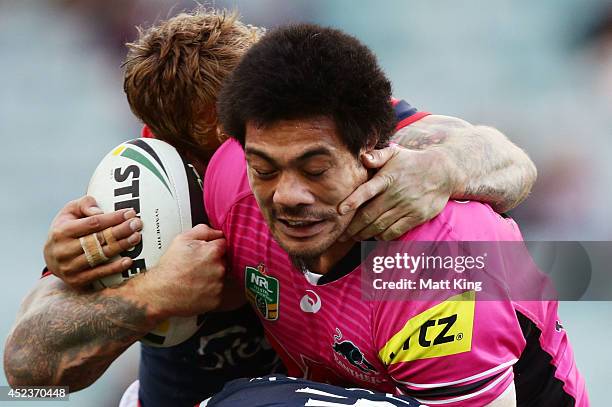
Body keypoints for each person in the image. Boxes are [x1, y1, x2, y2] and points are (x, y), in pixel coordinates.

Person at [4, 8, 538, 407]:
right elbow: (28, 372)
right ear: (213, 136)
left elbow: (511, 164)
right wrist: (152, 293)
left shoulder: (341, 128)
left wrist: (442, 170)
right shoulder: (155, 194)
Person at [203, 23, 588, 406]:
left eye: (316, 169)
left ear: (370, 147)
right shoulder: (229, 180)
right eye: (265, 170)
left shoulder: (439, 265)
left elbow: (510, 161)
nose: (287, 195)